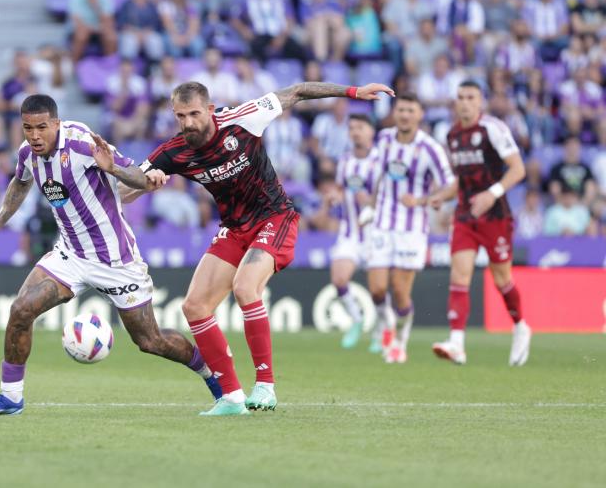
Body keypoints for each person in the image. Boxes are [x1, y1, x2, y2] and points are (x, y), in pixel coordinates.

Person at [125, 80, 394, 415]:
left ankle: (265, 386)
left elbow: (296, 91)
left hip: (275, 218)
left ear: (210, 109)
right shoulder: (174, 151)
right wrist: (145, 183)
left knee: (245, 287)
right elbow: (129, 187)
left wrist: (352, 92)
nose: (188, 122)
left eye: (194, 113)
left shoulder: (243, 118)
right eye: (181, 116)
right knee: (194, 306)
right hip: (235, 228)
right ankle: (232, 397)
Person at [0, 94, 222, 416]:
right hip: (71, 254)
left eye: (41, 127)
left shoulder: (82, 143)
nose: (35, 135)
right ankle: (11, 398)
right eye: (27, 128)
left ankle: (214, 376)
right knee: (21, 310)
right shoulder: (28, 153)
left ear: (56, 123)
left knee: (151, 341)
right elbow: (19, 183)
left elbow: (138, 177)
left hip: (115, 261)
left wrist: (113, 169)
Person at [431, 81, 531, 366]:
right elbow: (461, 180)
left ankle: (521, 326)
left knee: (502, 279)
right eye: (460, 97)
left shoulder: (493, 129)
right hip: (465, 215)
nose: (464, 102)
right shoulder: (452, 135)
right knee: (459, 276)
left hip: (495, 215)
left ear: (480, 102)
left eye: (470, 97)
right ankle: (457, 344)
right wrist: (438, 196)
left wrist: (492, 194)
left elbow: (518, 169)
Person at [366, 94, 456, 364]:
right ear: (395, 113)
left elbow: (451, 184)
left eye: (410, 110)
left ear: (420, 115)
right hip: (382, 223)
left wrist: (422, 200)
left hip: (412, 228)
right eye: (401, 109)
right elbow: (379, 176)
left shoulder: (430, 148)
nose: (404, 115)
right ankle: (387, 325)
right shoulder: (383, 138)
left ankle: (400, 342)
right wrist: (370, 206)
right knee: (377, 290)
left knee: (400, 291)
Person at [328, 114, 380, 351]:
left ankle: (381, 331)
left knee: (378, 288)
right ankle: (357, 320)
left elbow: (389, 197)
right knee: (339, 279)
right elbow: (339, 187)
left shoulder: (381, 160)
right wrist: (334, 196)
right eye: (352, 128)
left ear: (371, 131)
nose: (355, 132)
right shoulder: (346, 160)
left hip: (376, 234)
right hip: (349, 232)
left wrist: (369, 201)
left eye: (360, 127)